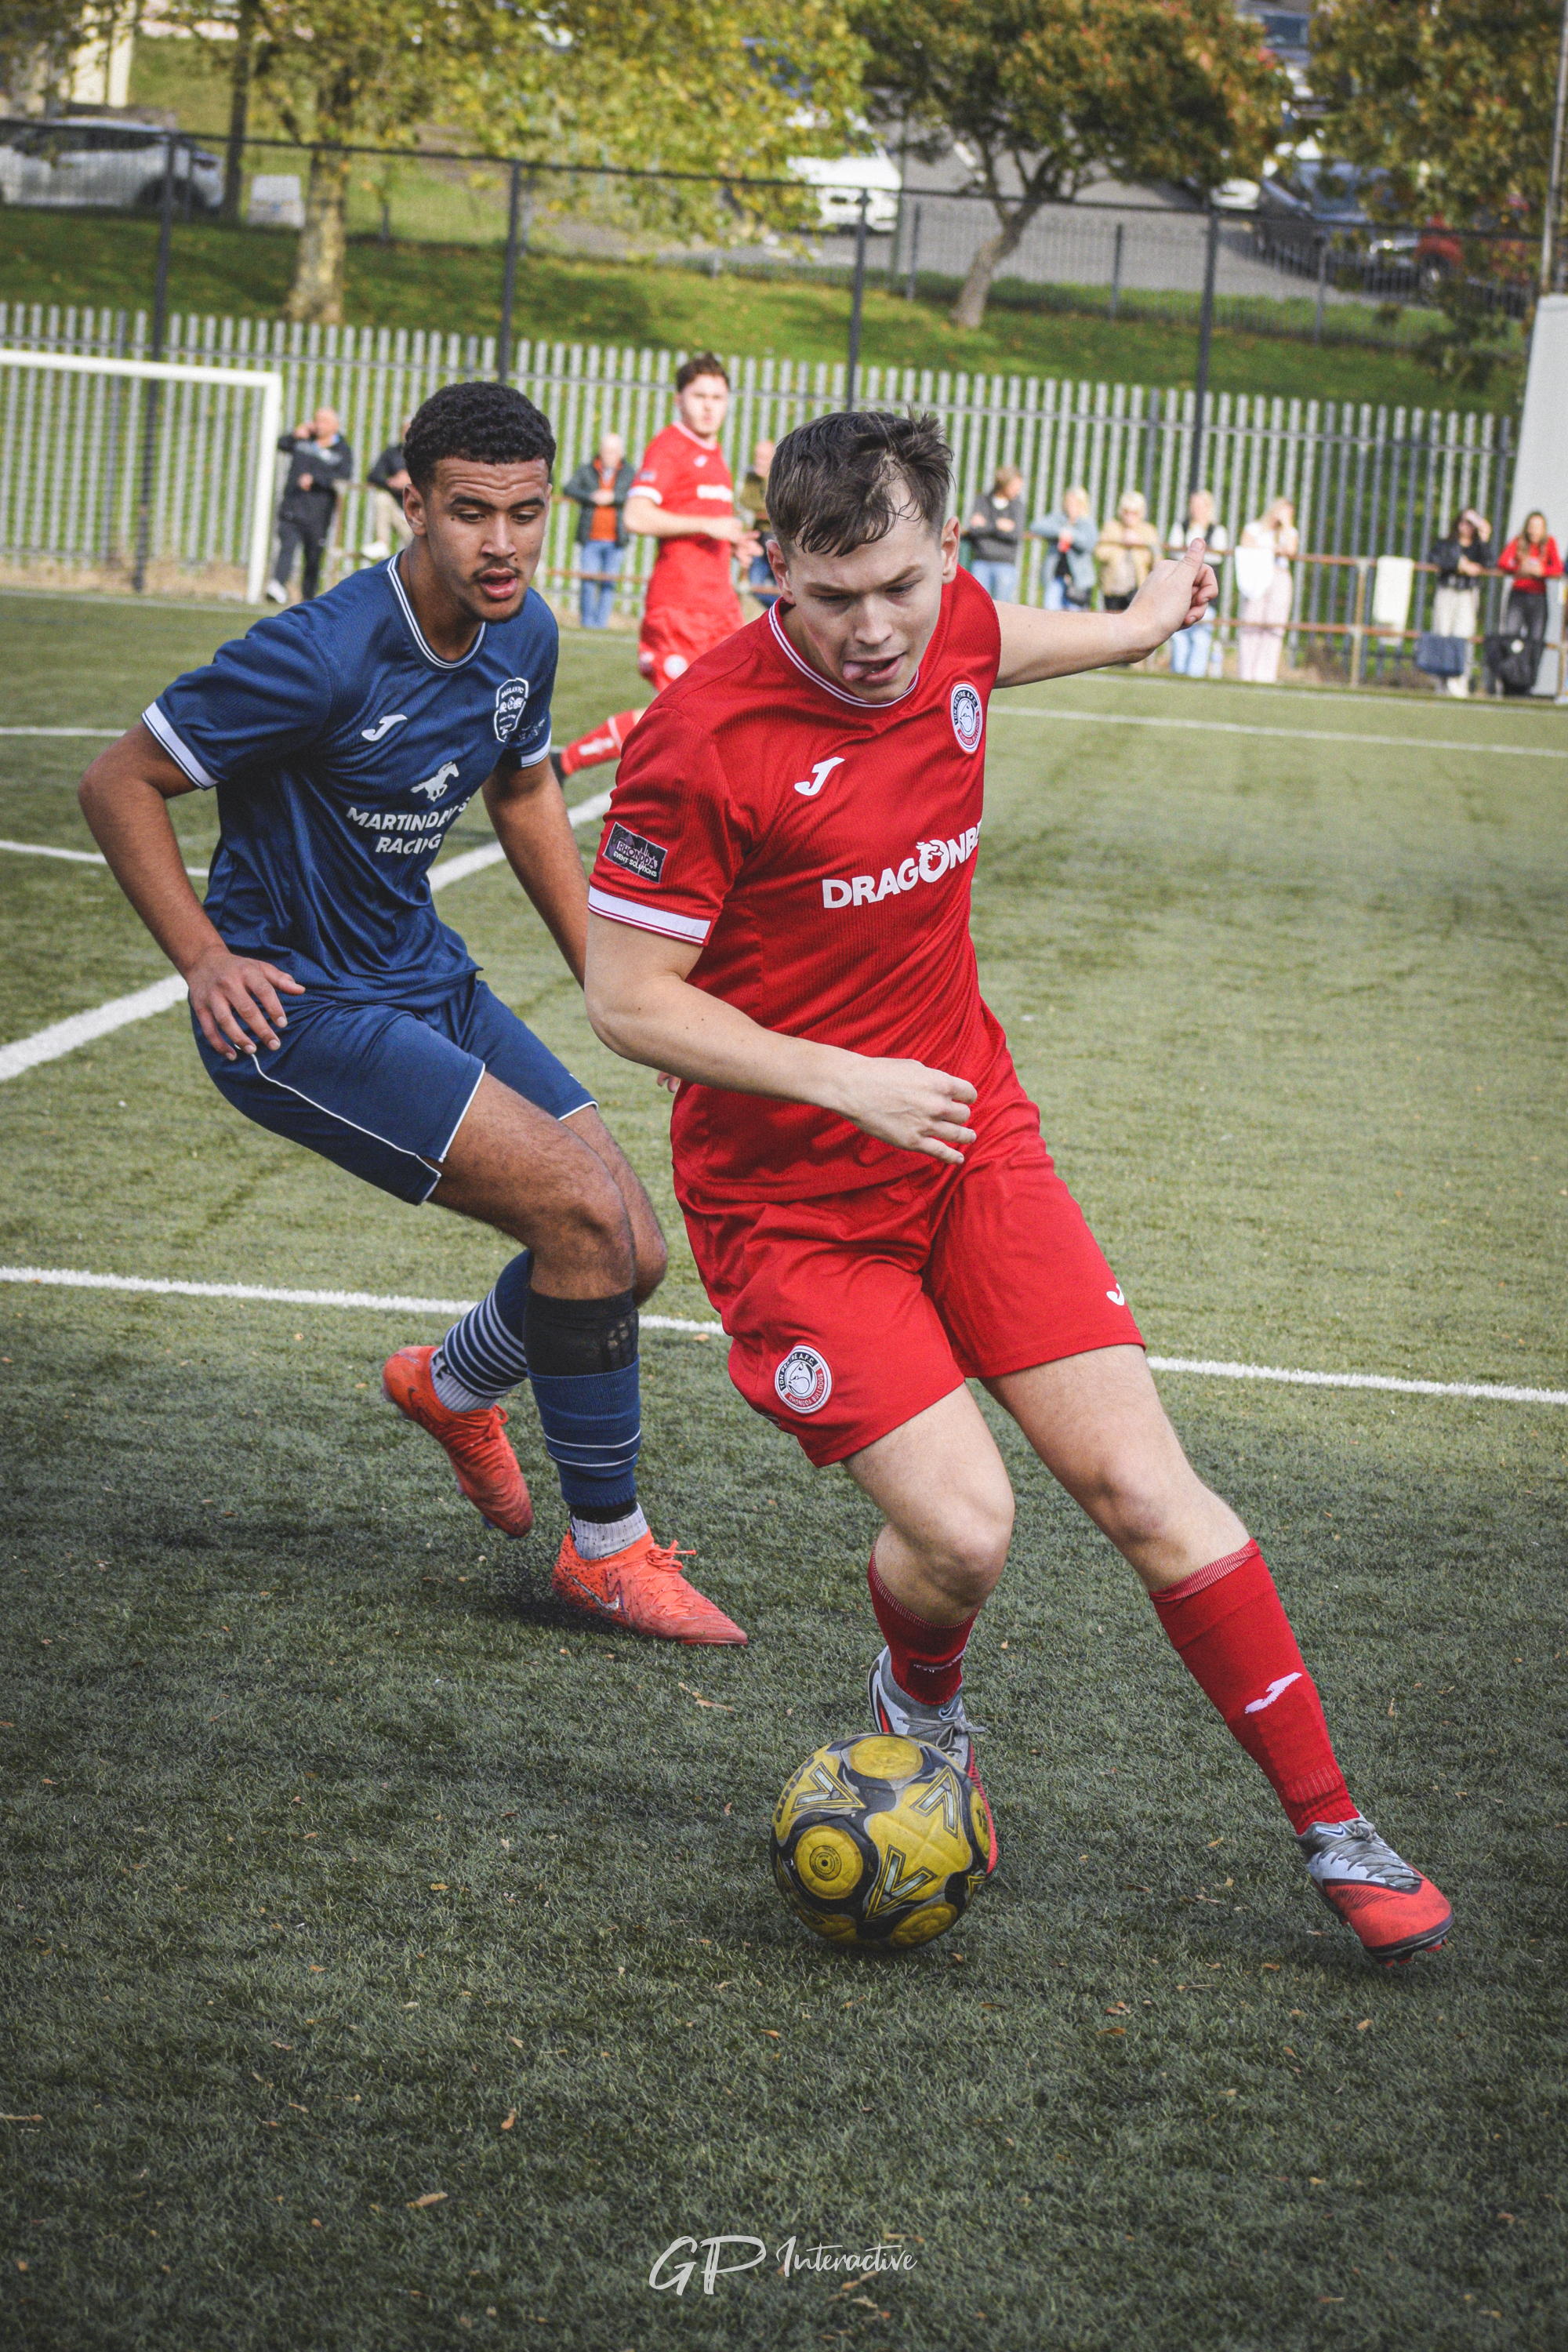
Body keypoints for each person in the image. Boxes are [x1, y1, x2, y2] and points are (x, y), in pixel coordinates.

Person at [580, 408, 1452, 1970]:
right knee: (967, 1533)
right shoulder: (702, 741)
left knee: (1142, 1491)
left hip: (971, 1144)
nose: (871, 633)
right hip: (791, 1208)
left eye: (900, 589)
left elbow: (1005, 644)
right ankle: (919, 1696)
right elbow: (629, 1001)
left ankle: (1337, 1832)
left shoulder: (959, 628)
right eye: (828, 597)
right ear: (770, 569)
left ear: (945, 559)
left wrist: (1134, 623)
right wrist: (841, 1076)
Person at [78, 379, 742, 1651]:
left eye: (527, 515)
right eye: (470, 514)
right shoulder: (323, 650)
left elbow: (527, 789)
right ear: (414, 502)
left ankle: (451, 1384)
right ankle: (605, 1553)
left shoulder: (525, 633)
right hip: (300, 1007)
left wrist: (613, 977)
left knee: (632, 1251)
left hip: (421, 973)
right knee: (582, 1216)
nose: (500, 544)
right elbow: (120, 779)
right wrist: (205, 958)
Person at [550, 354, 759, 779]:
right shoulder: (671, 445)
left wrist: (732, 544)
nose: (708, 406)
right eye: (699, 395)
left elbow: (706, 527)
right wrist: (708, 524)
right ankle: (565, 763)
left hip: (718, 610)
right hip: (679, 608)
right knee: (681, 716)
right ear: (679, 399)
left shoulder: (714, 453)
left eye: (718, 397)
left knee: (733, 716)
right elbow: (636, 515)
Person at [267, 406, 354, 602]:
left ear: (335, 426)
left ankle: (308, 598)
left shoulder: (342, 451)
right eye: (317, 420)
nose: (319, 425)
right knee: (287, 547)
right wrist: (294, 435)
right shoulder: (303, 440)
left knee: (313, 558)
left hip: (318, 514)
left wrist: (316, 479)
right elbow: (281, 444)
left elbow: (343, 477)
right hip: (293, 507)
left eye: (324, 421)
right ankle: (277, 585)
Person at [562, 430, 635, 630]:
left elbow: (635, 495)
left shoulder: (629, 473)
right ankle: (587, 623)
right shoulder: (587, 470)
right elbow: (568, 488)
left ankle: (601, 625)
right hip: (591, 537)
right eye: (607, 450)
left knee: (609, 585)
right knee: (587, 582)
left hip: (617, 539)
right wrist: (591, 496)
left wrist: (613, 498)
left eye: (614, 451)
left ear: (621, 452)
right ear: (600, 451)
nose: (610, 455)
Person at [1425, 508, 1492, 699]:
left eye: (1472, 523)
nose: (1467, 527)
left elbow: (1488, 562)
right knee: (1442, 634)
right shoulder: (1448, 543)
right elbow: (1435, 558)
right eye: (1464, 521)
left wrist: (1484, 538)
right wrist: (1459, 564)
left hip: (1467, 595)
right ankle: (1440, 681)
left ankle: (1459, 682)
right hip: (1447, 592)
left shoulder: (1478, 547)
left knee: (1462, 636)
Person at [1165, 488, 1229, 678]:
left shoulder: (1218, 530)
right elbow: (1174, 551)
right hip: (1181, 590)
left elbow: (1217, 557)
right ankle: (1177, 673)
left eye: (1200, 505)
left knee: (1201, 636)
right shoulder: (1181, 526)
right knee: (1178, 634)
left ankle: (1195, 676)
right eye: (1193, 505)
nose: (1196, 509)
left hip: (1204, 592)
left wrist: (1191, 556)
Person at [1236, 496, 1298, 684]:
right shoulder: (1254, 529)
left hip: (1279, 577)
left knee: (1274, 626)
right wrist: (1270, 548)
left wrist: (1286, 525)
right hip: (1258, 576)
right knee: (1252, 622)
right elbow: (1245, 545)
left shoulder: (1289, 532)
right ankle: (1246, 673)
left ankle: (1266, 674)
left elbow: (1290, 550)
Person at [1497, 509, 1563, 664]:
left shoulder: (1549, 543)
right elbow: (1503, 562)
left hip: (1538, 597)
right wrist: (1519, 569)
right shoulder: (1519, 541)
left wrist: (1542, 571)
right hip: (1518, 595)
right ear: (1527, 527)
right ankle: (1509, 674)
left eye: (1538, 527)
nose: (1534, 530)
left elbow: (1558, 568)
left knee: (1535, 640)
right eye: (1532, 526)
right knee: (1511, 636)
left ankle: (1527, 679)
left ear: (1544, 529)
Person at [962, 465, 1025, 601]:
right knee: (976, 606)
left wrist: (986, 525)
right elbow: (974, 530)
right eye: (1015, 486)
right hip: (981, 562)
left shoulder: (1018, 506)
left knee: (1001, 611)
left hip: (1005, 565)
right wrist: (998, 525)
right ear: (1004, 484)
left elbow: (1015, 535)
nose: (1018, 490)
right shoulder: (982, 500)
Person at [1029, 486, 1097, 612]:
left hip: (1078, 581)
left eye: (1075, 503)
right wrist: (1060, 532)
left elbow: (1089, 544)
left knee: (1074, 617)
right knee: (1050, 613)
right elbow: (1035, 526)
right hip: (1056, 576)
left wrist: (1072, 536)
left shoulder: (1087, 524)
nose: (1071, 506)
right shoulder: (1058, 519)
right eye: (1068, 503)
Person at [1094, 488, 1161, 612]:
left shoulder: (1148, 531)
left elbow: (1156, 560)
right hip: (1113, 589)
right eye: (1126, 512)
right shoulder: (1111, 527)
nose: (1130, 516)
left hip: (1138, 590)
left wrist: (1140, 545)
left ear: (1141, 513)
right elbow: (1099, 554)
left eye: (1134, 512)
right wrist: (1120, 542)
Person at [362, 420, 413, 561]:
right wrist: (391, 483)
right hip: (397, 508)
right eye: (405, 430)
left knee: (418, 554)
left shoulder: (429, 456)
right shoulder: (392, 452)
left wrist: (411, 482)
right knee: (382, 498)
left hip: (418, 514)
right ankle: (382, 543)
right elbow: (373, 475)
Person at [739, 437, 779, 610]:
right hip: (758, 538)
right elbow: (743, 502)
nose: (758, 461)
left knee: (785, 587)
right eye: (757, 456)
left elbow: (776, 507)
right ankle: (774, 612)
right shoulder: (750, 476)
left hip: (778, 541)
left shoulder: (780, 478)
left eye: (763, 457)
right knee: (754, 586)